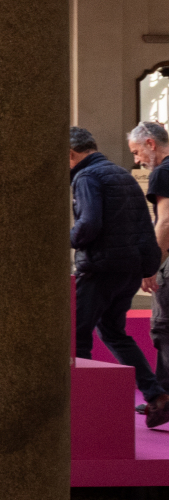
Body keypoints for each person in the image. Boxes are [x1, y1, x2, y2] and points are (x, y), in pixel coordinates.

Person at [71, 125, 169, 427]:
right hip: (128, 270)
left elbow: (89, 223)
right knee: (113, 331)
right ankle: (156, 394)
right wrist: (147, 266)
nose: (136, 159)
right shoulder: (121, 174)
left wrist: (66, 239)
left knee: (77, 335)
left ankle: (81, 408)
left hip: (100, 268)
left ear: (70, 154)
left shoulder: (86, 176)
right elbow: (144, 225)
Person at [132, 119, 169, 420]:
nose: (137, 160)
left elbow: (165, 221)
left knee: (164, 328)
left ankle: (164, 399)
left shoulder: (163, 173)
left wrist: (151, 266)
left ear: (151, 144)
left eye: (137, 152)